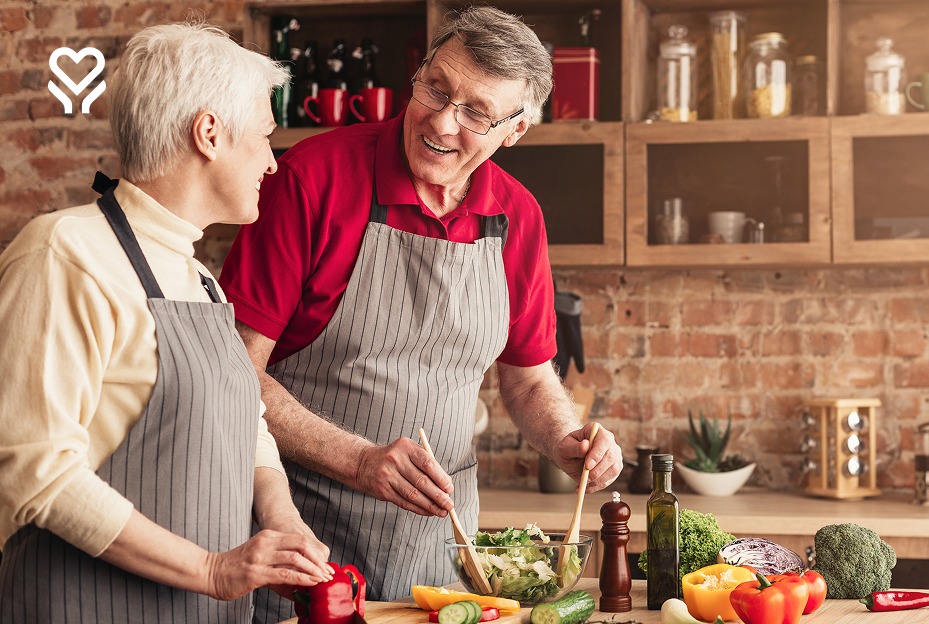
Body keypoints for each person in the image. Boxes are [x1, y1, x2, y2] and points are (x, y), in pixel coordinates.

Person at [217, 6, 624, 622]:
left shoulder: (519, 218)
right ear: (419, 74)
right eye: (437, 88)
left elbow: (530, 377)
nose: (442, 121)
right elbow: (232, 369)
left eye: (477, 113)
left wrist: (566, 441)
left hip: (442, 553)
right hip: (296, 538)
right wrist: (357, 460)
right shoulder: (312, 178)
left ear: (515, 131)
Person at [0, 23, 332, 623]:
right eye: (263, 139)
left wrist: (282, 523)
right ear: (209, 134)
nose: (273, 164)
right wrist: (212, 570)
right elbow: (34, 472)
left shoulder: (197, 275)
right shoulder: (64, 252)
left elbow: (247, 425)